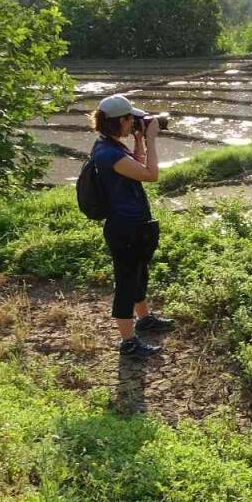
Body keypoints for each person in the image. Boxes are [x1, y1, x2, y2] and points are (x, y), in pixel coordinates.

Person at [90, 94, 175, 359]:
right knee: (127, 280)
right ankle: (128, 342)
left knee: (138, 274)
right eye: (132, 120)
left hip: (133, 224)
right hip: (124, 227)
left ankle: (144, 319)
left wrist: (139, 141)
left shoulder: (110, 146)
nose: (135, 124)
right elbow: (150, 174)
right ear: (122, 121)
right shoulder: (108, 154)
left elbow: (136, 166)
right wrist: (150, 139)